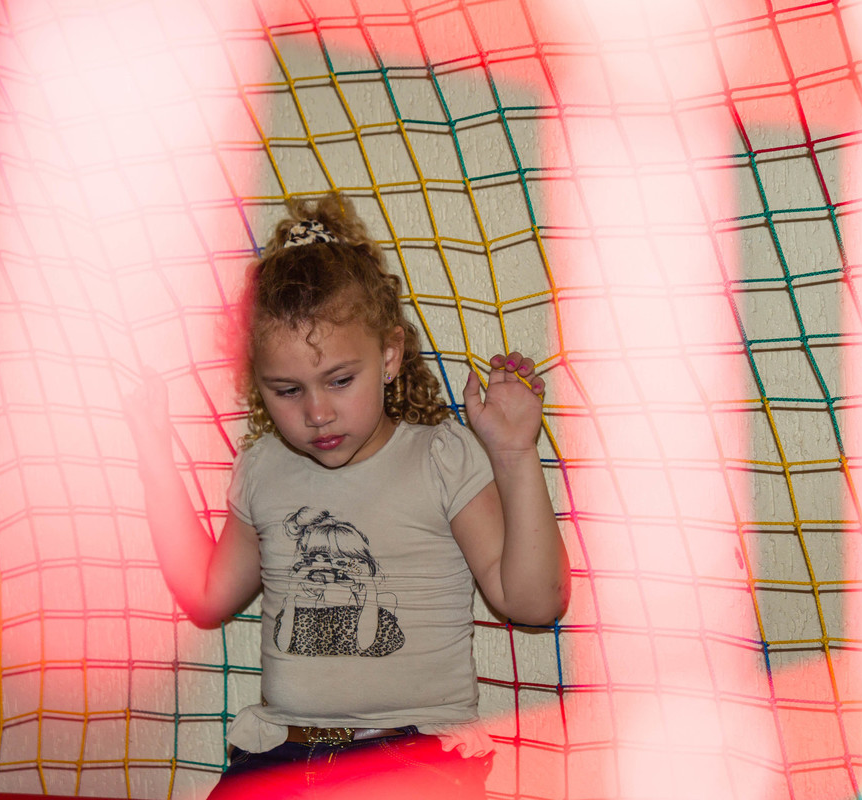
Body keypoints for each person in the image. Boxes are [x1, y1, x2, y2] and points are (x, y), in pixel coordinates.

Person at [124, 195, 570, 799]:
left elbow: (534, 603)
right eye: (287, 389)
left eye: (340, 380)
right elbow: (205, 596)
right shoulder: (264, 469)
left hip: (412, 756)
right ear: (257, 383)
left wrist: (515, 454)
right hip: (280, 754)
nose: (316, 411)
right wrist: (151, 449)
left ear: (388, 356)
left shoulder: (438, 456)